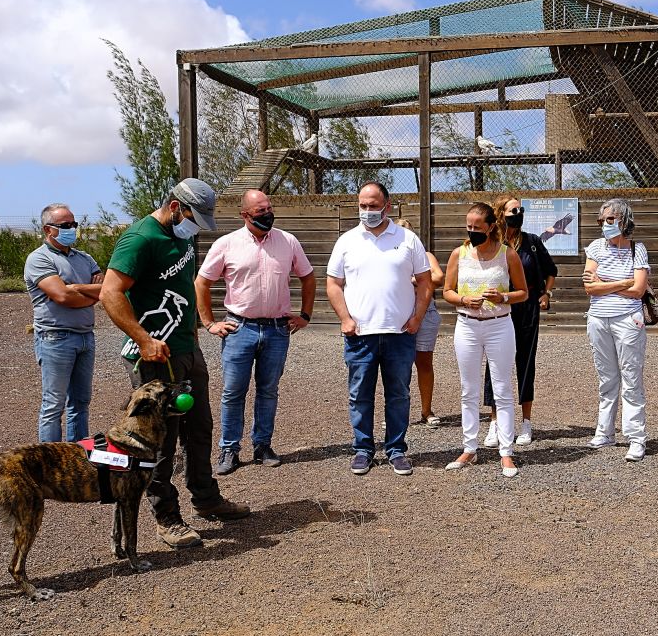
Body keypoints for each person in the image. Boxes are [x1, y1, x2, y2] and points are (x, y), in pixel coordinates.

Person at [100, 177, 250, 551]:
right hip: (153, 357)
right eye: (192, 217)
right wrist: (143, 339)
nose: (195, 227)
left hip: (186, 351)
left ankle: (206, 497)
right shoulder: (140, 239)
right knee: (160, 439)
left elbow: (183, 286)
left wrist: (196, 333)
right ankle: (167, 518)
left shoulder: (183, 237)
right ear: (174, 206)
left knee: (199, 428)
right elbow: (110, 292)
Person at [195, 189, 316, 475]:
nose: (267, 214)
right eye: (260, 211)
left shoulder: (288, 241)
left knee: (268, 390)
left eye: (269, 208)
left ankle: (262, 445)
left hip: (277, 329)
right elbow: (202, 283)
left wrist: (305, 315)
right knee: (233, 392)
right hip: (239, 328)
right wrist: (210, 323)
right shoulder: (227, 244)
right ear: (244, 215)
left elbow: (308, 277)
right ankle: (229, 449)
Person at [326, 181, 432, 476]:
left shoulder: (408, 239)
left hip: (400, 334)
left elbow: (425, 281)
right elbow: (333, 284)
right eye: (363, 205)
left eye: (374, 206)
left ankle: (396, 450)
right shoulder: (347, 241)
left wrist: (417, 318)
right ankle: (363, 449)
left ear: (388, 206)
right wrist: (345, 319)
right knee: (359, 394)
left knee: (398, 393)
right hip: (360, 335)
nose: (368, 211)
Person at [443, 202, 529, 477]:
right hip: (466, 325)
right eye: (468, 227)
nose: (471, 232)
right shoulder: (459, 253)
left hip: (499, 325)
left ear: (491, 226)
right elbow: (447, 291)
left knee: (502, 389)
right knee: (468, 389)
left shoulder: (508, 255)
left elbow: (524, 292)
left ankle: (506, 452)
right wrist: (464, 299)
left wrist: (502, 297)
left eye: (477, 227)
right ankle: (469, 448)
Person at [481, 195, 558, 447]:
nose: (518, 213)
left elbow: (551, 271)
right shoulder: (493, 243)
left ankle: (526, 422)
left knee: (525, 362)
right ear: (501, 214)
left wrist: (545, 294)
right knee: (495, 364)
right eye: (513, 209)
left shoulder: (532, 243)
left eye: (520, 209)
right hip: (499, 310)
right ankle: (494, 423)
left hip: (526, 310)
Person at [23, 203, 103, 443]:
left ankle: (77, 457)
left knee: (81, 401)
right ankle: (49, 464)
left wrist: (77, 288)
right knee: (53, 405)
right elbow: (62, 296)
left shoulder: (84, 258)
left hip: (85, 337)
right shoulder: (38, 259)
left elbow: (105, 290)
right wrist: (89, 295)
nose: (72, 229)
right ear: (49, 230)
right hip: (55, 338)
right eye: (65, 225)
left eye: (74, 224)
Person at [582, 199, 651, 462]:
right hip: (598, 319)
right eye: (601, 220)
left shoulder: (638, 249)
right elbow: (589, 286)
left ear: (624, 220)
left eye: (610, 219)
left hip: (628, 320)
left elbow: (638, 290)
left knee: (631, 378)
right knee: (606, 378)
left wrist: (606, 283)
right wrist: (623, 281)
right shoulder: (596, 247)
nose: (604, 225)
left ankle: (636, 437)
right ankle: (605, 431)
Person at [394, 218, 445, 427]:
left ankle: (426, 410)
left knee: (424, 363)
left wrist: (414, 279)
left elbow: (438, 277)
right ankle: (397, 414)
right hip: (398, 314)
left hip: (425, 314)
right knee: (397, 366)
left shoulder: (425, 256)